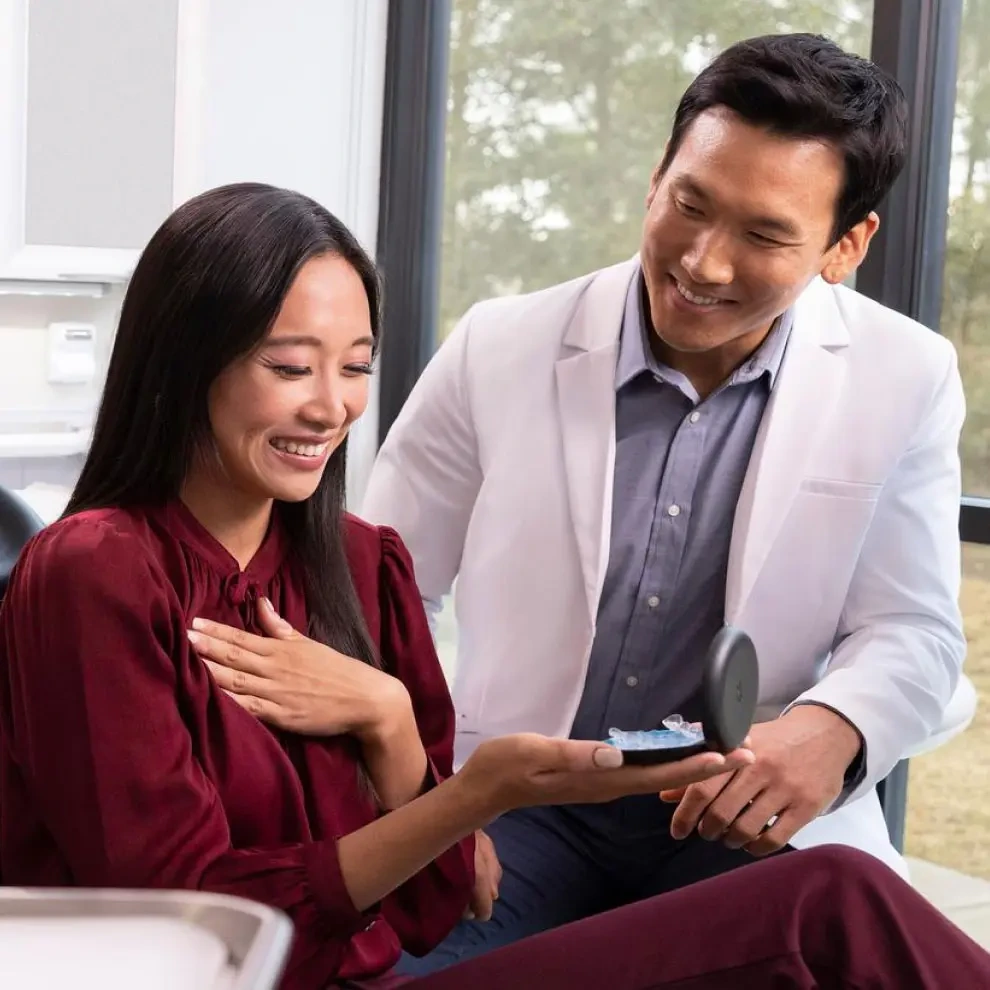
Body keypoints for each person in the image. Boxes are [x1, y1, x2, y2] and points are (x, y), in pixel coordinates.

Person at [2, 183, 987, 990]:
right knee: (832, 910)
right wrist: (478, 793)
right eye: (289, 366)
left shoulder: (359, 566)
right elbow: (186, 936)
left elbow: (437, 909)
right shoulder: (99, 573)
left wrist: (392, 725)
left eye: (355, 367)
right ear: (185, 364)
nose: (332, 406)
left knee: (833, 901)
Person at [360, 32, 970, 974]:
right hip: (520, 815)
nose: (705, 264)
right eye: (690, 205)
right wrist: (430, 801)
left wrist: (835, 729)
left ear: (846, 245)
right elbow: (375, 598)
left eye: (765, 235)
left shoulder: (907, 375)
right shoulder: (499, 346)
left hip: (737, 820)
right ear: (657, 179)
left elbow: (915, 630)